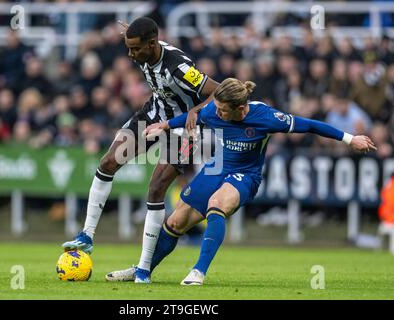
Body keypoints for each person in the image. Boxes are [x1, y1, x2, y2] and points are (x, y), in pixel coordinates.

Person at [111, 78, 377, 285]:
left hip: (245, 175)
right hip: (215, 169)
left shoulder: (266, 117)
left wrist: (349, 139)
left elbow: (310, 125)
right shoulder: (216, 110)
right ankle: (143, 269)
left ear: (240, 108)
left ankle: (198, 271)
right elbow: (195, 117)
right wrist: (166, 125)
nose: (217, 113)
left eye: (223, 110)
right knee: (175, 221)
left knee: (217, 205)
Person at [62, 17, 219, 283]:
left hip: (183, 130)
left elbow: (220, 90)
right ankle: (86, 235)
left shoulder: (179, 67)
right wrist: (131, 34)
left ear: (152, 43)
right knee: (108, 162)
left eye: (135, 49)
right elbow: (138, 41)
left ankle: (144, 269)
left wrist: (196, 110)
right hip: (153, 116)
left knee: (156, 188)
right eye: (128, 47)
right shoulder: (145, 49)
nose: (130, 54)